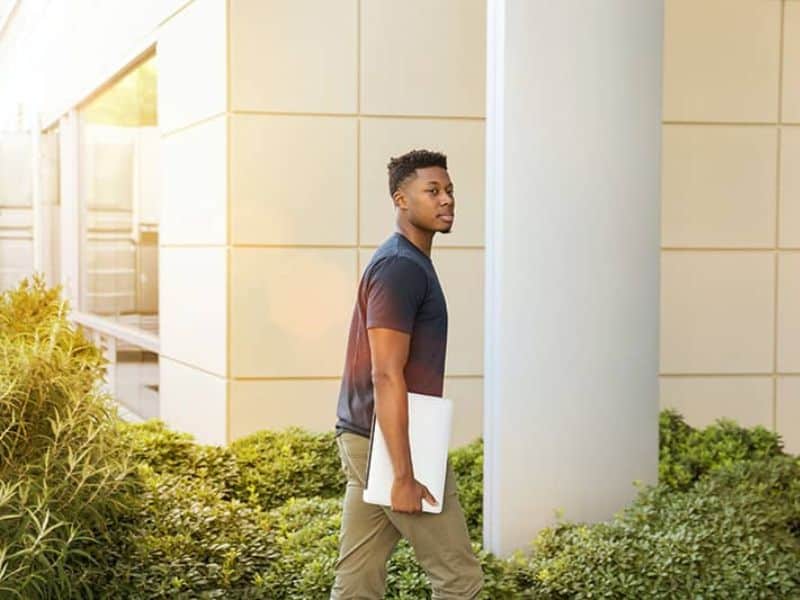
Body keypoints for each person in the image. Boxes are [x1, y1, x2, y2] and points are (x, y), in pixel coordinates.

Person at [330, 149, 484, 599]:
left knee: (358, 580)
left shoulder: (408, 262)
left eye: (450, 190)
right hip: (393, 440)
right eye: (432, 191)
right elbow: (385, 375)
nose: (447, 200)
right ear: (401, 199)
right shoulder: (400, 268)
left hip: (368, 435)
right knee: (459, 580)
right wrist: (403, 474)